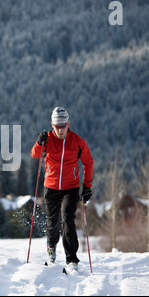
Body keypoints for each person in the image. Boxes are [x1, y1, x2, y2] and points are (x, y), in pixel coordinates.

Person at [31, 107, 93, 269]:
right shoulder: (48, 139)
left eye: (63, 126)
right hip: (51, 188)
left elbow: (88, 162)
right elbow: (35, 155)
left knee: (67, 219)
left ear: (68, 124)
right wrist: (39, 142)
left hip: (71, 188)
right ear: (52, 125)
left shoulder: (78, 142)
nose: (60, 130)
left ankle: (71, 258)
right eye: (56, 127)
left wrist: (87, 186)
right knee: (53, 222)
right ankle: (51, 247)